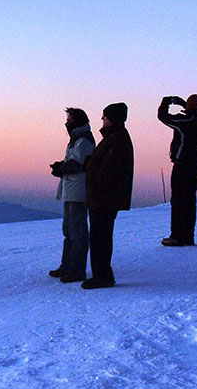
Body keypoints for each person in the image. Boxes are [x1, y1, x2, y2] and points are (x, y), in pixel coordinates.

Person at [82, 104, 134, 289]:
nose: (102, 119)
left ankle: (102, 276)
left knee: (100, 237)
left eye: (104, 117)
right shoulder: (114, 138)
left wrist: (94, 187)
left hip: (104, 199)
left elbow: (109, 170)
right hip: (104, 197)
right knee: (99, 236)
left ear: (112, 118)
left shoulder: (116, 140)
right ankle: (102, 274)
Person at [49, 108, 96, 282]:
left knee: (77, 232)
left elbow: (78, 164)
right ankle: (67, 265)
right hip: (71, 190)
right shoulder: (76, 140)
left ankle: (76, 269)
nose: (67, 123)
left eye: (69, 119)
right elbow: (74, 162)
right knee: (69, 231)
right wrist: (61, 166)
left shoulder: (83, 140)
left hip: (78, 191)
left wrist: (61, 168)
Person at [158, 94, 197, 246]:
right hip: (196, 166)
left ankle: (177, 236)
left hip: (183, 167)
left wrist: (166, 102)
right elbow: (194, 115)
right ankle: (188, 236)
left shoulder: (186, 121)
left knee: (179, 201)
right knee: (189, 201)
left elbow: (163, 117)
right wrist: (185, 107)